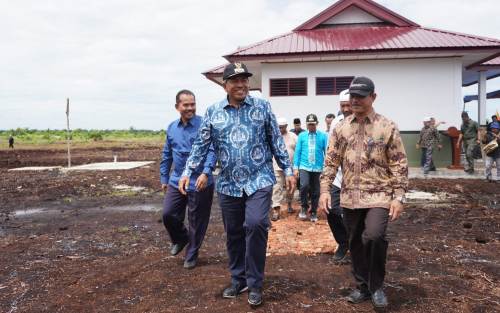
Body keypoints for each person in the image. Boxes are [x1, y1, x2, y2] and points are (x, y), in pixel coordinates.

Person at [178, 63, 295, 307]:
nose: (241, 84)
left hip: (259, 179)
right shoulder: (213, 112)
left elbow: (275, 140)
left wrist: (289, 169)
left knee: (256, 224)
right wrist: (188, 171)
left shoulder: (262, 107)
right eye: (235, 81)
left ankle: (255, 283)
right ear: (225, 85)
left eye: (244, 80)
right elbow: (201, 145)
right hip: (229, 183)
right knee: (234, 233)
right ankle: (238, 278)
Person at [319, 77, 408, 308]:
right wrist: (325, 190)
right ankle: (363, 287)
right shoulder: (341, 127)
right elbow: (330, 161)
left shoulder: (387, 126)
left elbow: (399, 163)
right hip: (350, 196)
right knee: (355, 242)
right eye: (353, 96)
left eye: (361, 95)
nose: (355, 100)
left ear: (373, 97)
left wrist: (399, 196)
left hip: (379, 195)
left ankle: (377, 286)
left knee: (374, 236)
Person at [159, 89, 216, 270]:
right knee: (168, 214)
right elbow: (167, 154)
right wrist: (164, 177)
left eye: (193, 104)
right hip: (177, 180)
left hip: (200, 180)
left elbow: (213, 151)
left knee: (196, 220)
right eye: (186, 105)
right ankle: (180, 238)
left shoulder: (204, 125)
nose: (190, 108)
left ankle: (192, 254)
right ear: (177, 107)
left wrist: (206, 173)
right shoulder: (171, 128)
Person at [326, 89, 351, 263]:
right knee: (331, 209)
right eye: (343, 105)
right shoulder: (336, 123)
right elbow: (330, 150)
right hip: (338, 176)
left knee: (353, 214)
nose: (347, 108)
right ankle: (343, 242)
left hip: (359, 180)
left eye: (349, 105)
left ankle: (358, 246)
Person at [293, 113, 328, 222]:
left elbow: (326, 152)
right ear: (306, 125)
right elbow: (297, 152)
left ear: (317, 124)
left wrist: (326, 168)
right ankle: (304, 207)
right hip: (304, 166)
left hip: (317, 167)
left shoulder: (323, 136)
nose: (311, 126)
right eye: (309, 124)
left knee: (316, 191)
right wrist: (295, 167)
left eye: (313, 124)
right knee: (304, 186)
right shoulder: (302, 136)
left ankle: (313, 211)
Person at [271, 117, 297, 221]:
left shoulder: (293, 137)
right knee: (276, 188)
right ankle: (276, 210)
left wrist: (296, 167)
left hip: (290, 168)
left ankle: (289, 204)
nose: (280, 129)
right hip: (276, 167)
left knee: (290, 188)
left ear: (286, 126)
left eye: (282, 127)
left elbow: (298, 151)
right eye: (278, 127)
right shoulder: (273, 136)